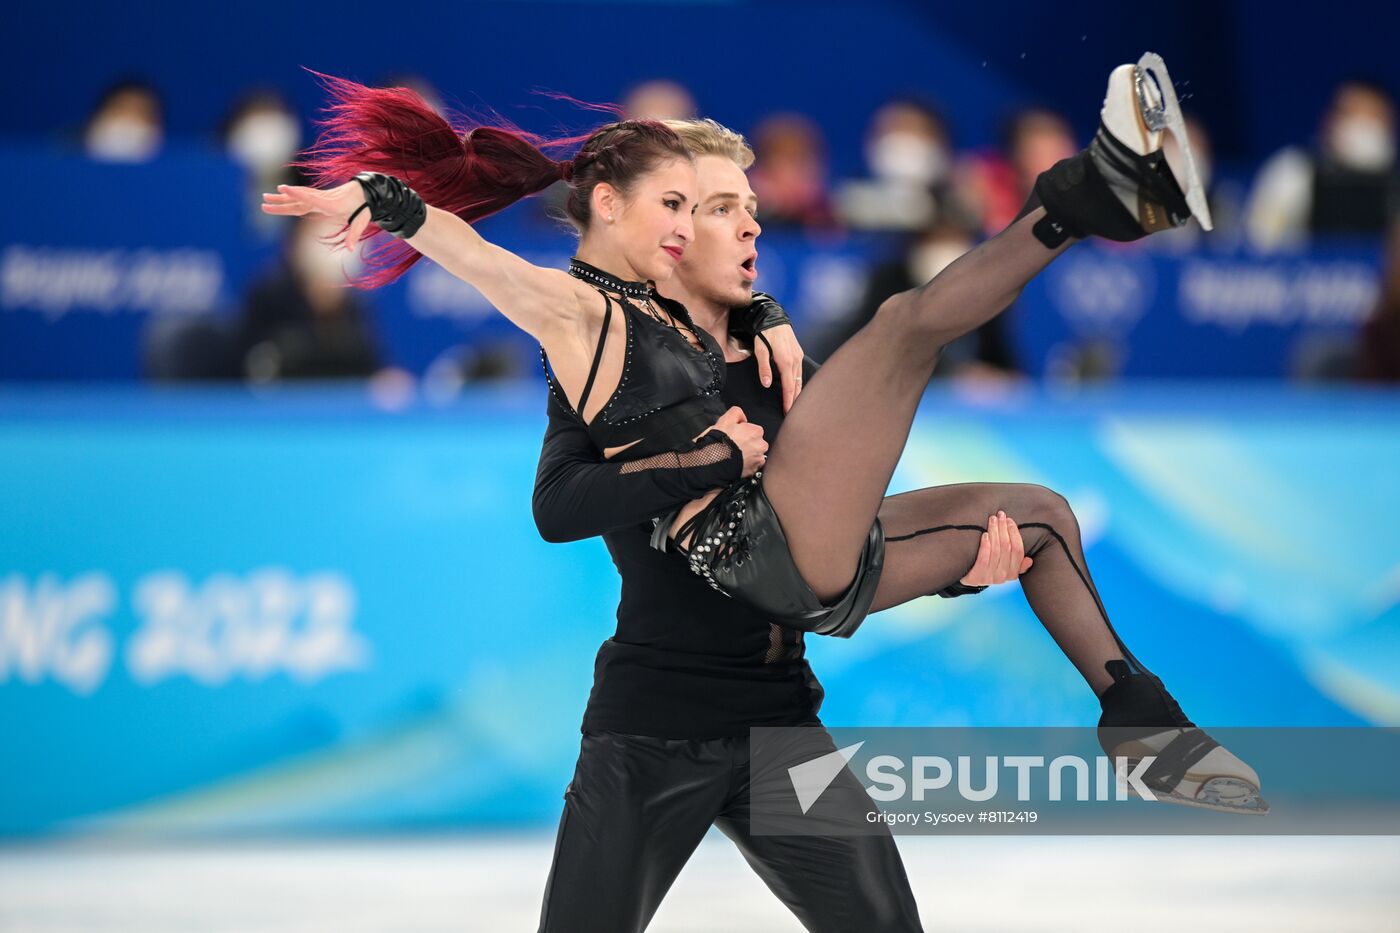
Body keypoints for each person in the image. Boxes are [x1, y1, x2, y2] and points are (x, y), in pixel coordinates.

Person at [265, 53, 1262, 834]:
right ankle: (1094, 193)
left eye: (734, 209)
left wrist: (962, 564)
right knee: (904, 327)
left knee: (1039, 517)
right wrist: (385, 203)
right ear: (619, 211)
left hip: (796, 586)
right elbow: (478, 258)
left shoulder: (725, 317)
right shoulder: (582, 313)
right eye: (698, 208)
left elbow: (810, 434)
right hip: (746, 567)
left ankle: (1143, 728)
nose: (732, 226)